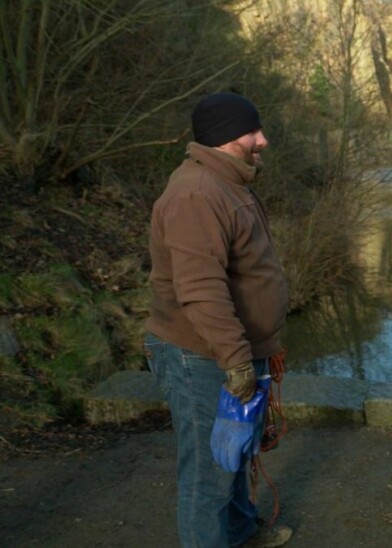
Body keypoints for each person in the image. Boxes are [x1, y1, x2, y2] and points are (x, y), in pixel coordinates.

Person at [145, 92, 293, 547]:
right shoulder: (196, 194)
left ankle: (240, 533)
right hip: (200, 355)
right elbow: (201, 289)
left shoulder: (227, 182)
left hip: (232, 350)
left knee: (235, 453)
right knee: (208, 472)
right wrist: (236, 360)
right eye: (254, 131)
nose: (263, 140)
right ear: (229, 137)